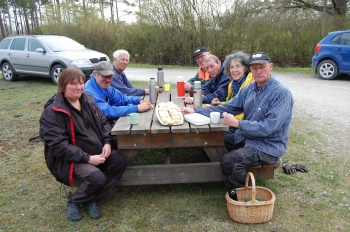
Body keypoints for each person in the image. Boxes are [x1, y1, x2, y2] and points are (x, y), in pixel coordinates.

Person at [181, 52, 294, 191]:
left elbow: (267, 128)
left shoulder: (281, 93)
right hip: (247, 137)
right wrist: (197, 111)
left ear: (270, 66)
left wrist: (237, 124)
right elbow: (229, 106)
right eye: (254, 68)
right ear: (250, 69)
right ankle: (231, 172)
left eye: (262, 67)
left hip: (267, 146)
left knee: (230, 161)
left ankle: (244, 196)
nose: (258, 71)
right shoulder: (251, 88)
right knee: (212, 139)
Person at [40, 67, 128, 221]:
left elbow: (103, 122)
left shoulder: (87, 100)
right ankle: (74, 201)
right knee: (97, 178)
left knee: (119, 162)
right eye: (73, 84)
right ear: (62, 85)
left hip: (97, 151)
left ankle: (91, 199)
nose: (78, 87)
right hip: (70, 159)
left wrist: (107, 142)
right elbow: (59, 147)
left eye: (81, 83)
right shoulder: (53, 112)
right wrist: (88, 158)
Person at [84, 61, 152, 122]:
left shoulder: (105, 87)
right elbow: (108, 112)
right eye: (105, 76)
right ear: (95, 74)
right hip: (94, 130)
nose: (108, 80)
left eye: (110, 77)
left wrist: (139, 100)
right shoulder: (89, 92)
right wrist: (136, 108)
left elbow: (122, 99)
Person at [210, 51, 254, 134]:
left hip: (245, 123)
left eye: (238, 66)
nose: (234, 70)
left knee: (217, 134)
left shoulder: (251, 83)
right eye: (231, 67)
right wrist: (221, 104)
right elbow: (234, 104)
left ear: (245, 67)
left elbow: (246, 110)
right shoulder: (232, 83)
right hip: (234, 118)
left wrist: (232, 118)